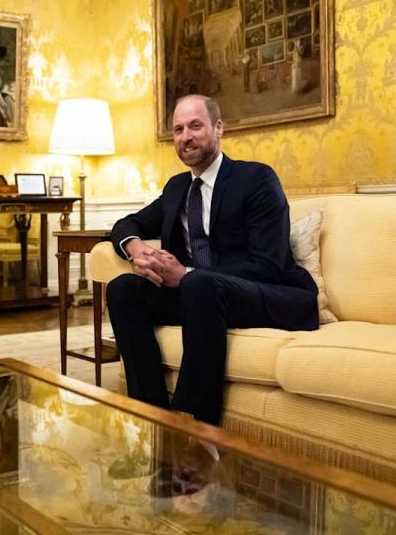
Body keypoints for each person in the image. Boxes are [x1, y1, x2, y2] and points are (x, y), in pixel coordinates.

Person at [106, 95, 318, 426]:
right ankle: (151, 416)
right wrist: (135, 248)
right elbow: (127, 223)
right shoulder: (177, 188)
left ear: (218, 128)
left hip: (266, 293)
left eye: (195, 126)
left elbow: (268, 264)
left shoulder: (257, 179)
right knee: (123, 289)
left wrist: (186, 273)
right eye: (178, 129)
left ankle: (195, 424)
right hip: (201, 296)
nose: (185, 137)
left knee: (197, 282)